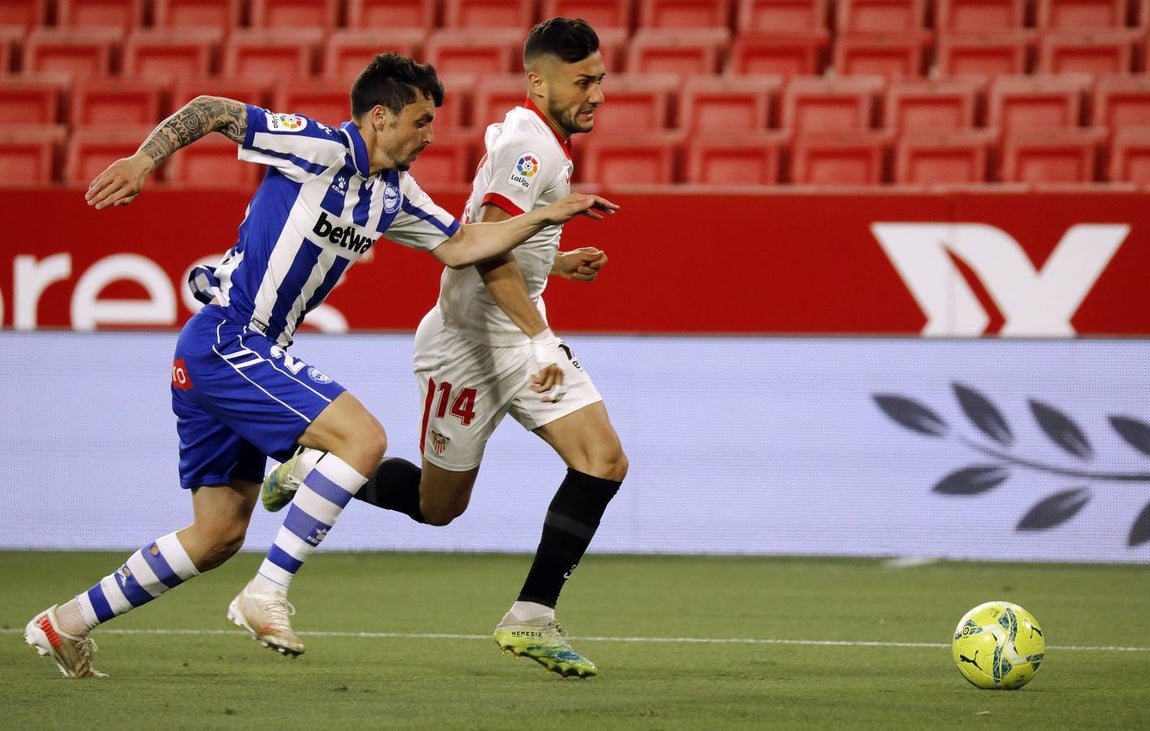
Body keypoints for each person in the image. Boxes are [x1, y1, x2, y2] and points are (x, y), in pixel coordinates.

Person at [23, 52, 617, 679]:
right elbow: (211, 110)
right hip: (227, 338)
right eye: (420, 121)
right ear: (379, 117)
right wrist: (145, 159)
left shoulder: (394, 195)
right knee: (362, 438)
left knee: (219, 533)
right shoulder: (316, 147)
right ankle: (267, 592)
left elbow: (464, 244)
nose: (430, 135)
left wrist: (544, 219)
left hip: (237, 355)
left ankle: (64, 624)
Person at [263, 18, 627, 679]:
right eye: (583, 81)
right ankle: (315, 460)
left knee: (602, 460)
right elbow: (484, 247)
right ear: (538, 81)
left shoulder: (544, 140)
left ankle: (531, 617)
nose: (597, 92)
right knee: (438, 508)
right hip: (469, 345)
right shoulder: (530, 146)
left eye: (601, 79)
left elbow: (506, 238)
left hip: (516, 333)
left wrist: (554, 261)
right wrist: (542, 339)